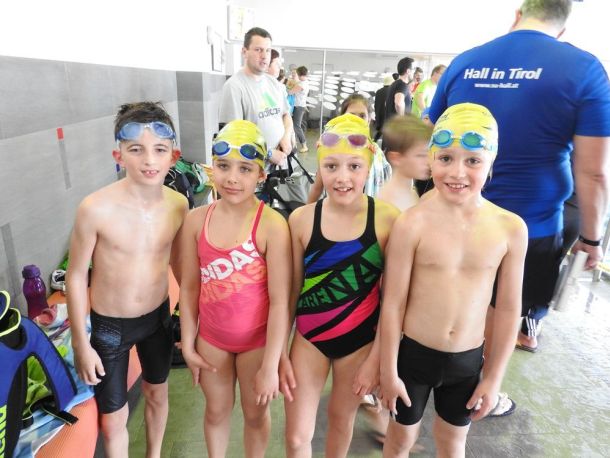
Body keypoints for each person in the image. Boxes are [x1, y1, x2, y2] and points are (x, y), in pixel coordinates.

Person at [429, 0, 610, 360]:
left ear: (517, 15)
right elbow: (593, 171)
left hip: (458, 216)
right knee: (505, 315)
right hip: (532, 226)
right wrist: (591, 238)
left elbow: (434, 139)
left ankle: (445, 377)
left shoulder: (466, 61)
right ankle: (482, 382)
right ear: (562, 29)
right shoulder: (584, 69)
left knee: (450, 308)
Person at [379, 103, 528, 457]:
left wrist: (493, 378)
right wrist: (388, 370)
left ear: (491, 162)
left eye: (473, 160)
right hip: (413, 358)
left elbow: (509, 310)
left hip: (466, 362)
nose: (457, 172)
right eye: (445, 158)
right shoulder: (411, 223)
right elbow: (393, 302)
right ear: (432, 158)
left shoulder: (510, 229)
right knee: (399, 440)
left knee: (452, 442)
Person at [66, 102, 189, 458]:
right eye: (136, 149)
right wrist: (81, 343)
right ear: (118, 155)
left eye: (159, 150)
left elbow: (180, 265)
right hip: (110, 328)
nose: (149, 160)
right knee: (113, 419)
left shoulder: (178, 204)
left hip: (157, 319)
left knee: (157, 393)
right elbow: (76, 275)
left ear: (173, 156)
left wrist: (190, 319)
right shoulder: (95, 208)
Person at [284, 113, 400, 457]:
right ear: (320, 167)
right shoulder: (302, 220)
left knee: (340, 420)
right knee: (296, 437)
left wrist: (377, 360)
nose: (342, 177)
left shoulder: (388, 220)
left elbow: (393, 301)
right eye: (331, 166)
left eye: (354, 166)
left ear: (369, 167)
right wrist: (279, 353)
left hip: (360, 343)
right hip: (308, 340)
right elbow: (289, 294)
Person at [179, 120, 291, 457]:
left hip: (258, 343)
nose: (232, 178)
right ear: (211, 168)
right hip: (212, 340)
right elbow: (189, 288)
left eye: (245, 169)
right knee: (215, 412)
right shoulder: (195, 220)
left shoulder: (272, 225)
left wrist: (271, 363)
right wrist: (188, 344)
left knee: (255, 416)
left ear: (261, 175)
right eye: (223, 166)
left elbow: (280, 302)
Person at [219, 27, 293, 166]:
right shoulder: (234, 87)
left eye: (268, 50)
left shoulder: (274, 83)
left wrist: (286, 137)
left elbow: (286, 115)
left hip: (279, 164)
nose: (264, 56)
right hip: (253, 167)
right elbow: (234, 138)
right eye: (258, 50)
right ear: (244, 52)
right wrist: (269, 153)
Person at [307, 94, 392, 203]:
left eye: (362, 116)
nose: (356, 120)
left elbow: (386, 187)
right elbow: (317, 187)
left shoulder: (377, 153)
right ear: (342, 119)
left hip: (369, 210)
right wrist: (306, 210)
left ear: (369, 120)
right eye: (351, 115)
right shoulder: (331, 147)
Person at [377, 115, 433, 211]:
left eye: (428, 154)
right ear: (396, 158)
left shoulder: (411, 193)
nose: (428, 161)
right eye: (420, 155)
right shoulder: (388, 202)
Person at [291, 66, 310, 153]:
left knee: (296, 126)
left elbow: (290, 92)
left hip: (299, 107)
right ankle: (294, 144)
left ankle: (304, 145)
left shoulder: (302, 84)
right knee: (294, 126)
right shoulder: (303, 82)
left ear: (300, 74)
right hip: (298, 106)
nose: (296, 75)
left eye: (296, 74)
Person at [374, 75, 395, 141]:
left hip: (379, 117)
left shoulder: (378, 91)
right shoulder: (392, 92)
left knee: (379, 133)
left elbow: (376, 105)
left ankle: (373, 142)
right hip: (388, 118)